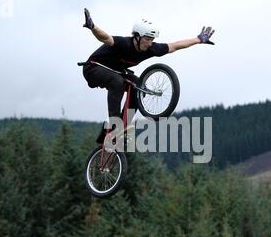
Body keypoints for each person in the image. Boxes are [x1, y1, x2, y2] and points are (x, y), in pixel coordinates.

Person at [81, 8, 215, 144]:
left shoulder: (151, 49)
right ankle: (115, 125)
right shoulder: (124, 43)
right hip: (93, 68)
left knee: (138, 86)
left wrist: (198, 39)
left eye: (152, 39)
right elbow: (106, 38)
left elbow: (174, 46)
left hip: (115, 71)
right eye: (147, 39)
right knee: (117, 81)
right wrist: (93, 27)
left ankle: (117, 128)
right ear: (137, 36)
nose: (150, 43)